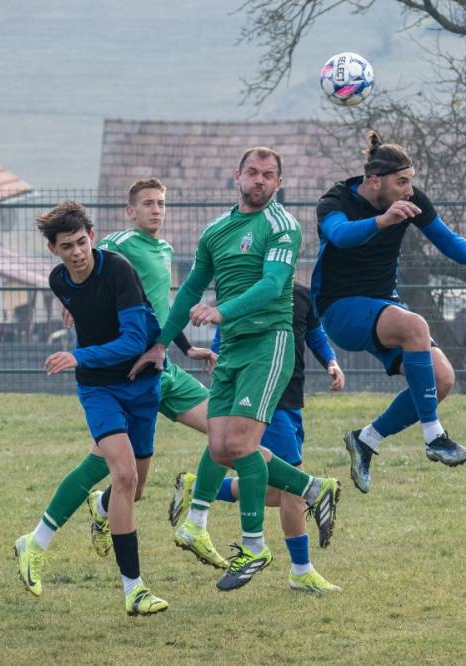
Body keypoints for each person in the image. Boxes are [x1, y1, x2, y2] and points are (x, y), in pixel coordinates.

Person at [130, 147, 341, 591]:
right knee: (220, 444)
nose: (259, 180)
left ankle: (254, 546)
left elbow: (271, 286)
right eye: (253, 173)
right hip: (233, 351)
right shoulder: (216, 231)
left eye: (268, 175)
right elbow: (188, 290)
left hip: (268, 343)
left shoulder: (282, 226)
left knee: (240, 445)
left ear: (278, 183)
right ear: (237, 176)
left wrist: (222, 311)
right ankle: (311, 488)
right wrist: (161, 344)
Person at [312, 130, 466, 493]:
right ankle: (435, 438)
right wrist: (383, 221)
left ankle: (365, 440)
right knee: (414, 326)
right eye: (401, 182)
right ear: (374, 181)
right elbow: (339, 235)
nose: (409, 190)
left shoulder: (409, 199)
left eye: (411, 181)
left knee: (441, 379)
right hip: (340, 310)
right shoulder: (335, 201)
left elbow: (447, 239)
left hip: (384, 305)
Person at [13, 200, 168, 617]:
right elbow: (87, 315)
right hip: (100, 388)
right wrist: (84, 360)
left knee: (132, 490)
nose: (77, 252)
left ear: (93, 238)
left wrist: (82, 354)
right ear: (54, 250)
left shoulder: (116, 269)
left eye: (82, 242)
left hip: (142, 384)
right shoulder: (58, 280)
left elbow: (137, 338)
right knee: (123, 474)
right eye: (67, 246)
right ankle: (134, 590)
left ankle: (84, 516)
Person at [170, 282, 346, 593]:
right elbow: (225, 334)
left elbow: (315, 332)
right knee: (290, 490)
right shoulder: (244, 293)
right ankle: (301, 569)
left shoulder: (302, 294)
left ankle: (201, 487)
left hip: (291, 397)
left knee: (278, 491)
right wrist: (221, 364)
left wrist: (331, 360)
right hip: (264, 398)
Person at [80, 178, 216, 558]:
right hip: (125, 374)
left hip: (163, 368)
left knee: (221, 428)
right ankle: (53, 526)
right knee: (127, 481)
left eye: (160, 203)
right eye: (148, 204)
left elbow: (162, 311)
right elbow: (88, 262)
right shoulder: (119, 243)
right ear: (131, 211)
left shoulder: (165, 249)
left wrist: (189, 347)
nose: (156, 209)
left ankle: (103, 506)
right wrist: (71, 303)